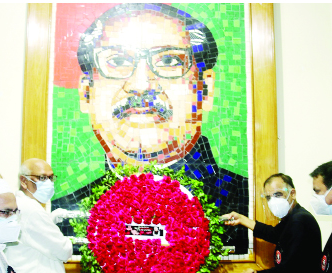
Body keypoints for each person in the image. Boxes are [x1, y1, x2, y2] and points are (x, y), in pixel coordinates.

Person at [51, 3, 250, 254]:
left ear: (204, 90)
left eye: (168, 60)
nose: (141, 85)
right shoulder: (63, 216)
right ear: (87, 93)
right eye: (118, 61)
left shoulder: (243, 206)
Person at [221, 174, 321, 273]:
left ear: (292, 194)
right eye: (268, 197)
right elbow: (274, 234)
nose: (273, 201)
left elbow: (290, 270)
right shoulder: (291, 219)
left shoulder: (299, 220)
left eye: (278, 194)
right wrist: (242, 219)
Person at [4, 159, 73, 273]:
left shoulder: (20, 205)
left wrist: (49, 221)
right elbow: (64, 250)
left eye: (50, 177)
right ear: (24, 181)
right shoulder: (32, 210)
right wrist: (67, 239)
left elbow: (34, 238)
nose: (48, 183)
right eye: (42, 178)